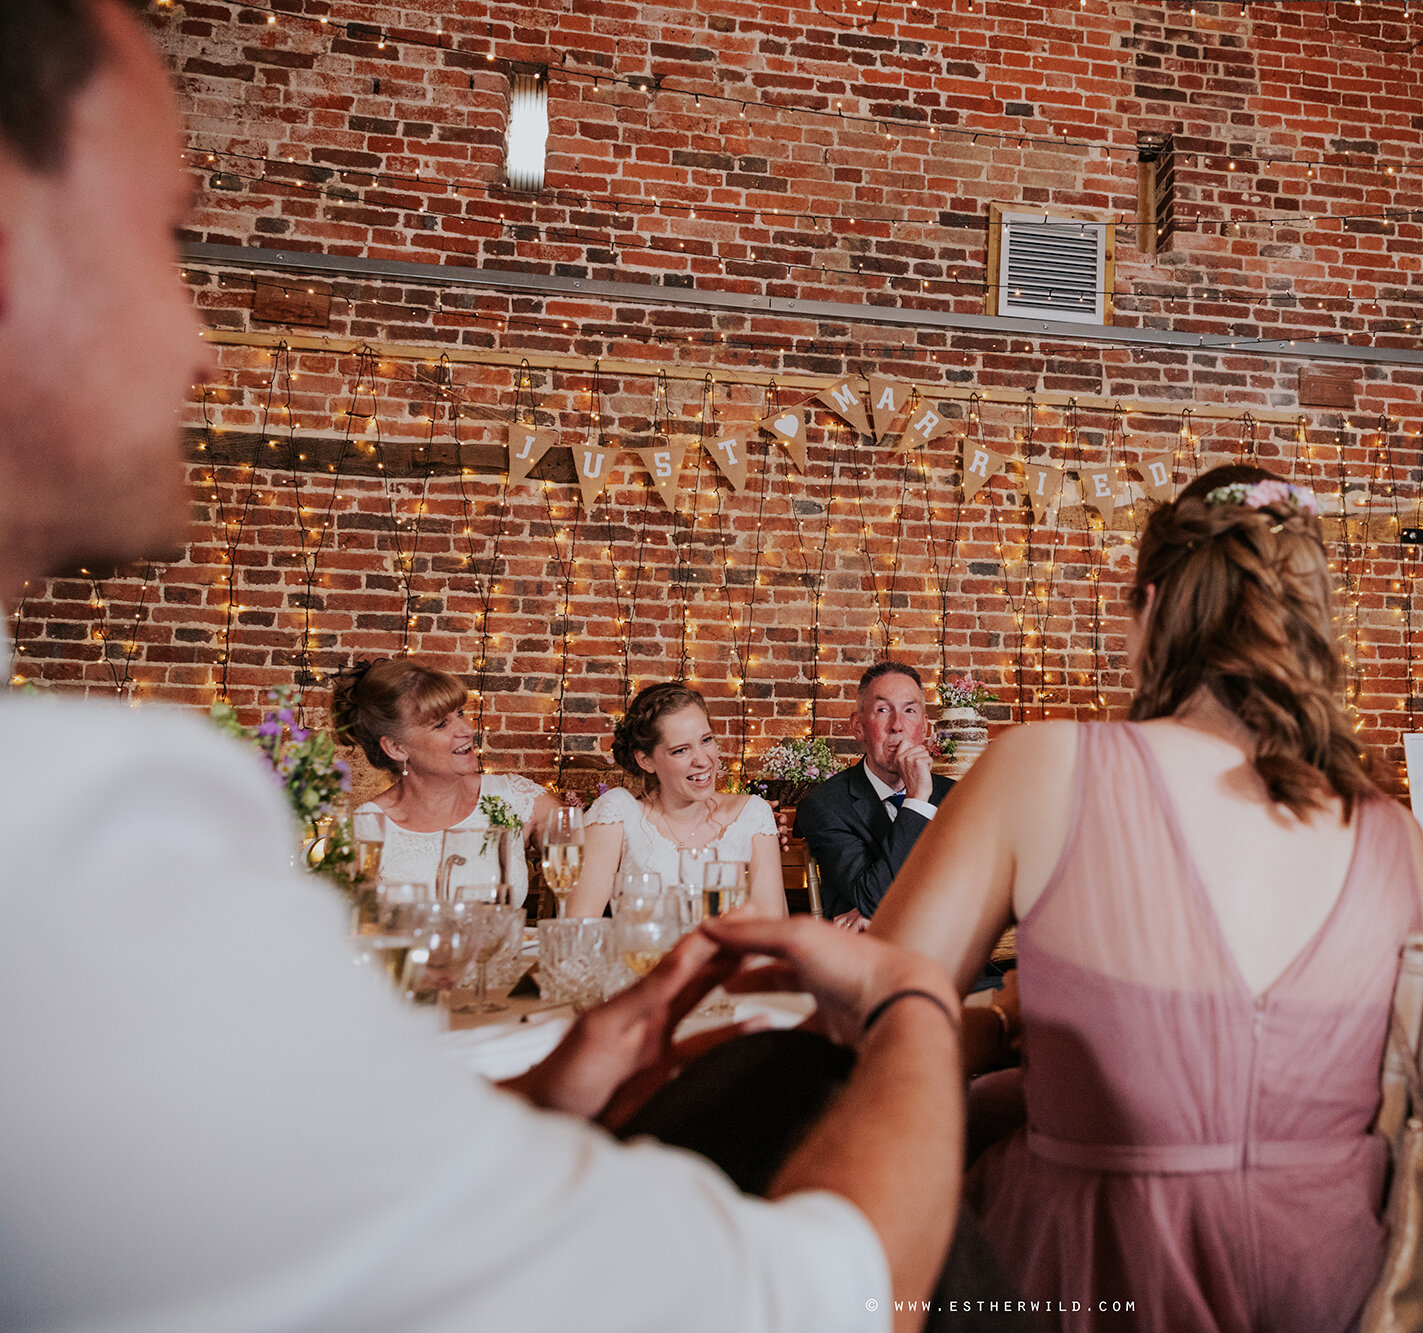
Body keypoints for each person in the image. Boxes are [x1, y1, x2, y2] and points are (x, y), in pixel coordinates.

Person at [0, 5, 963, 1329]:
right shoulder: (69, 842)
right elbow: (785, 1296)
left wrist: (536, 1101)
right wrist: (919, 1003)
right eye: (161, 240)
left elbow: (282, 1205)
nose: (201, 341)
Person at [868, 466, 1423, 1333]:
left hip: (1093, 1271)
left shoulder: (1043, 766)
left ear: (1151, 608)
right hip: (1335, 1281)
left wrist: (1004, 1025)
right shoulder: (1395, 836)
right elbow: (1380, 1095)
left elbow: (872, 1019)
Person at [332, 656, 559, 896]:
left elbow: (585, 853)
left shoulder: (515, 798)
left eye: (460, 713)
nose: (466, 730)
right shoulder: (364, 831)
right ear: (397, 748)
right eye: (441, 724)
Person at [571, 681, 786, 919]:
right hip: (640, 955)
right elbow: (578, 926)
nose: (703, 760)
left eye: (706, 740)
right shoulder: (618, 812)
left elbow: (772, 929)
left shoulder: (752, 814)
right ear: (646, 760)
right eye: (680, 750)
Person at [795, 662, 958, 928]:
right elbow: (872, 897)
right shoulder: (825, 806)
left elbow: (974, 893)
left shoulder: (955, 797)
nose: (897, 726)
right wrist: (917, 799)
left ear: (925, 728)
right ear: (858, 726)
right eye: (883, 710)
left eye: (910, 711)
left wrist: (884, 911)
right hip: (871, 960)